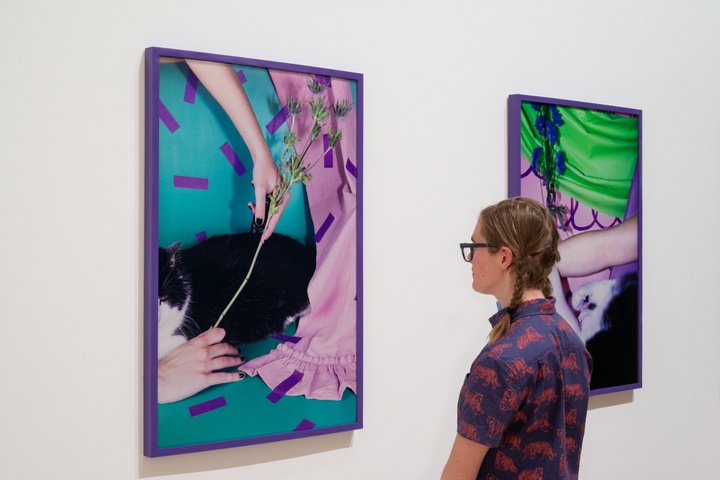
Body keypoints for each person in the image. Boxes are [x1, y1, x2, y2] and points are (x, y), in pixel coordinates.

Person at [442, 197, 592, 479]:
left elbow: (458, 475)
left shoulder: (501, 361)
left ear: (503, 257)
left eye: (475, 247)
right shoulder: (572, 341)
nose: (470, 257)